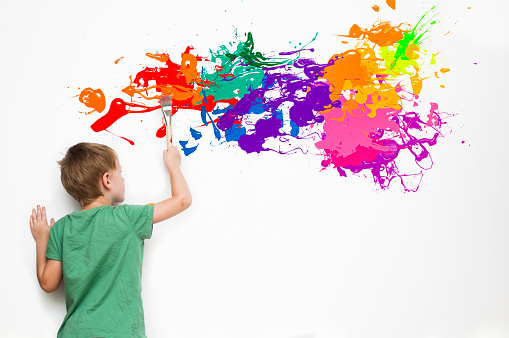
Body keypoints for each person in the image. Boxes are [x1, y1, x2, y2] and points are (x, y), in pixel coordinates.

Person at [29, 142, 192, 337]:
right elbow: (182, 200)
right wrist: (173, 164)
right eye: (121, 173)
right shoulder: (128, 217)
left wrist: (42, 240)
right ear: (107, 180)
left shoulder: (61, 228)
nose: (123, 179)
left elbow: (47, 283)